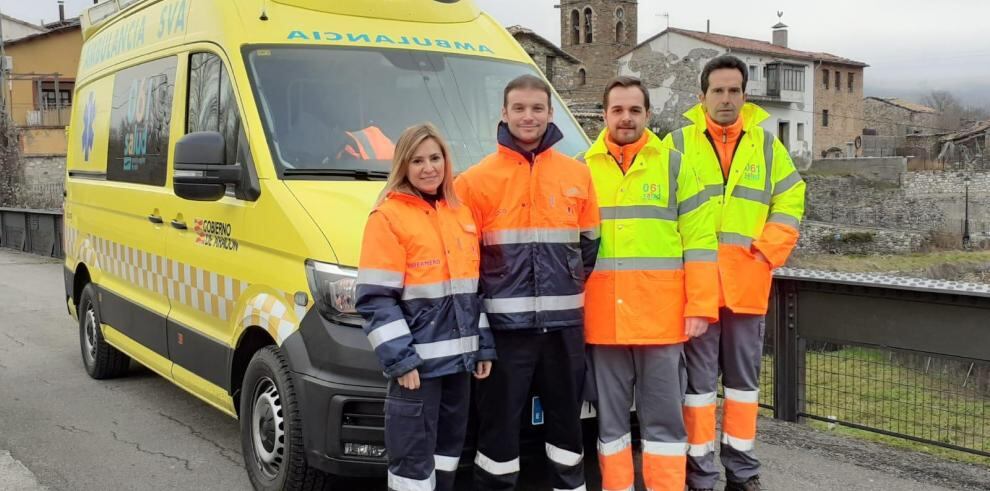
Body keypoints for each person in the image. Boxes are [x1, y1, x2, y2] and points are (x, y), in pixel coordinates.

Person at [664, 55, 806, 491]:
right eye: (718, 91)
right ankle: (701, 474)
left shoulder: (766, 145)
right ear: (702, 96)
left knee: (743, 389)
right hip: (698, 290)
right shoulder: (676, 144)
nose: (726, 99)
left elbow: (791, 198)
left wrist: (765, 254)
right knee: (699, 388)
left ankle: (742, 473)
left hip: (746, 286)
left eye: (734, 91)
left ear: (745, 95)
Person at [455, 74, 600, 491]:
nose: (528, 116)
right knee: (498, 429)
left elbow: (590, 246)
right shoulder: (474, 181)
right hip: (503, 333)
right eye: (518, 108)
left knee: (567, 427)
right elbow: (468, 264)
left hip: (564, 331)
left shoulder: (577, 175)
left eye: (537, 108)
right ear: (504, 113)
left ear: (550, 113)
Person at [582, 76, 719, 491]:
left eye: (635, 110)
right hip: (603, 321)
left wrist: (700, 306)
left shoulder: (675, 165)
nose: (626, 118)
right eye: (618, 110)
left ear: (648, 114)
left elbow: (700, 243)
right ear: (604, 115)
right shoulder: (581, 169)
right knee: (611, 424)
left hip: (661, 320)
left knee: (664, 423)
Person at [355, 123, 496, 491]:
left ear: (447, 162)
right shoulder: (387, 217)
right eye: (417, 160)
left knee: (447, 459)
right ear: (403, 165)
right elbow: (374, 298)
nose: (428, 167)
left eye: (435, 158)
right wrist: (401, 360)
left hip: (459, 367)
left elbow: (472, 291)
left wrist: (482, 346)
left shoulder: (459, 213)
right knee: (412, 465)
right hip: (418, 369)